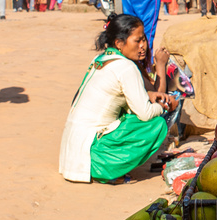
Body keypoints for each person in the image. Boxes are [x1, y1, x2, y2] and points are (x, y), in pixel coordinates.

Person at [58, 13, 177, 183]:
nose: (143, 46)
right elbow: (145, 114)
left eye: (144, 40)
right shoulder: (126, 67)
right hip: (93, 154)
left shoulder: (101, 58)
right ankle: (108, 171)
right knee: (156, 125)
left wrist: (150, 95)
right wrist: (166, 105)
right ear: (119, 43)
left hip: (72, 153)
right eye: (137, 41)